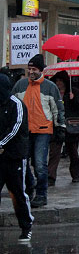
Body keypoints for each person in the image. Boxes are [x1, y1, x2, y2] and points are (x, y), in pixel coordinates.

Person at [11, 54, 64, 208]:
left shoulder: (49, 87)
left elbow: (57, 109)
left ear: (41, 70)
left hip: (43, 130)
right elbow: (12, 104)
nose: (31, 71)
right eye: (29, 68)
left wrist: (60, 127)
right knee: (23, 162)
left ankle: (41, 194)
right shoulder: (20, 85)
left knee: (40, 164)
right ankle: (30, 186)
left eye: (34, 69)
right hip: (24, 131)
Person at [0, 71, 34, 242]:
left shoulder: (17, 104)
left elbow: (16, 127)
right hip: (0, 157)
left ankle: (26, 226)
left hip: (15, 156)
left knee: (18, 192)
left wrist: (1, 143)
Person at [47, 72, 79, 184]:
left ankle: (75, 174)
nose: (59, 83)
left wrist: (74, 99)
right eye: (57, 81)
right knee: (54, 152)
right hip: (57, 125)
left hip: (71, 126)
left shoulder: (73, 91)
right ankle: (51, 176)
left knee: (73, 153)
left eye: (61, 81)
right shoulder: (52, 93)